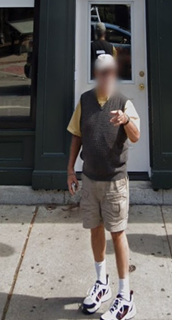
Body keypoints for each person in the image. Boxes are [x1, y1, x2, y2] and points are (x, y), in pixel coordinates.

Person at [67, 52, 141, 320]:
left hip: (114, 182)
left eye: (110, 71)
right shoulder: (85, 100)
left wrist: (125, 120)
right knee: (94, 230)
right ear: (96, 74)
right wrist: (70, 170)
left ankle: (125, 296)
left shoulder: (123, 102)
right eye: (101, 71)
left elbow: (136, 136)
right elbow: (76, 134)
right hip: (89, 178)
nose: (106, 76)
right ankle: (102, 283)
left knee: (118, 233)